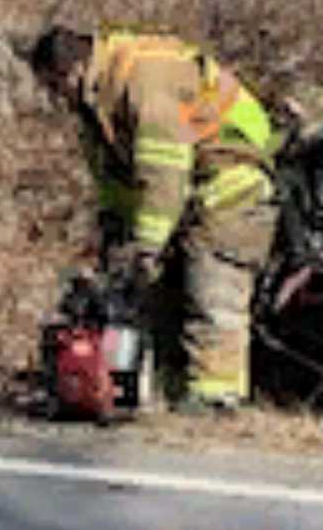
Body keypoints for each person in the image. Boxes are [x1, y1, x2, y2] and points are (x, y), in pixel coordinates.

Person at [30, 23, 281, 411]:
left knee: (212, 286)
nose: (54, 98)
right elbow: (117, 177)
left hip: (232, 175)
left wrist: (144, 248)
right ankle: (168, 389)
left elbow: (163, 174)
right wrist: (116, 231)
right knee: (160, 293)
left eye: (53, 86)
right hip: (191, 183)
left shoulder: (143, 82)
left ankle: (217, 397)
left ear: (72, 71)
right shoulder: (97, 100)